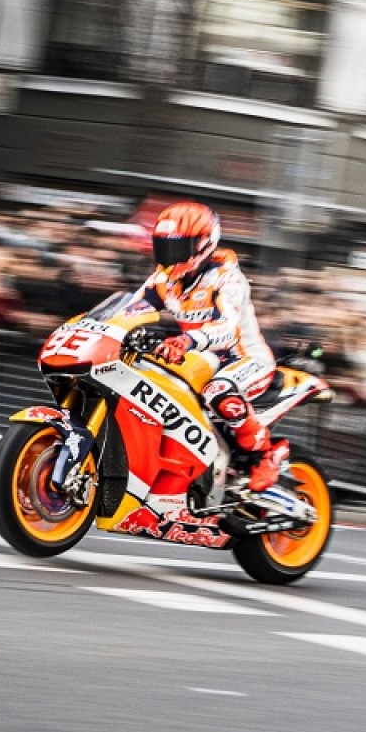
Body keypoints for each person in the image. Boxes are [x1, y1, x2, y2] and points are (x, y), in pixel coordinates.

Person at [119, 201, 293, 505]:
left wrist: (188, 341)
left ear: (202, 245)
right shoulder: (163, 281)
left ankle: (267, 453)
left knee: (218, 391)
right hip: (204, 357)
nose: (167, 256)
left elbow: (228, 328)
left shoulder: (228, 279)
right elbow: (130, 310)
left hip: (245, 358)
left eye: (177, 247)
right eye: (163, 247)